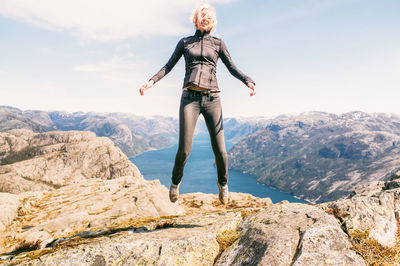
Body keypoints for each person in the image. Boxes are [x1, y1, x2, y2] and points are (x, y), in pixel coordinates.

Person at [139, 4, 256, 205]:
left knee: (221, 150)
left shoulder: (219, 44)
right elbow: (168, 65)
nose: (205, 18)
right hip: (190, 99)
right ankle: (175, 183)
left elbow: (232, 67)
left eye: (209, 16)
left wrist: (248, 80)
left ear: (213, 22)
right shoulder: (185, 42)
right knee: (184, 148)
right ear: (196, 20)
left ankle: (223, 184)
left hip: (213, 99)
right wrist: (151, 82)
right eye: (202, 16)